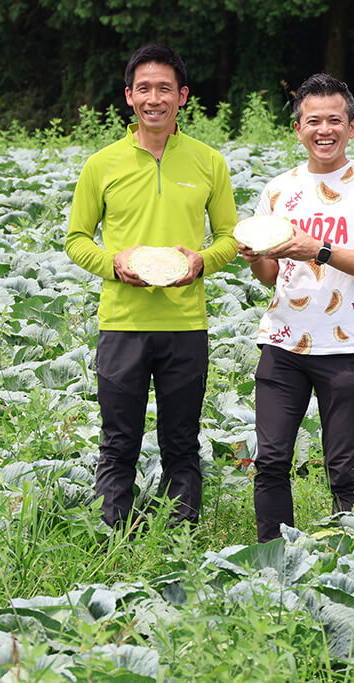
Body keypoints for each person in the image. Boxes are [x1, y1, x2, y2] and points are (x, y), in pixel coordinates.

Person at [65, 44, 238, 529]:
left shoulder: (208, 162)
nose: (154, 98)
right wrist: (111, 263)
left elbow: (229, 237)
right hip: (123, 323)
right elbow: (76, 240)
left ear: (183, 97)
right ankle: (109, 536)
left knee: (181, 441)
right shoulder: (102, 164)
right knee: (118, 440)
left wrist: (202, 262)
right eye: (144, 88)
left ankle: (178, 538)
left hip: (186, 324)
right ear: (128, 96)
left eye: (165, 88)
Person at [239, 73, 354, 543]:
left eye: (335, 120)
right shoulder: (278, 190)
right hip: (282, 343)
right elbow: (272, 277)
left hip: (345, 345)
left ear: (352, 127)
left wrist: (321, 250)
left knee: (344, 468)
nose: (324, 129)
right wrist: (257, 260)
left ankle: (347, 558)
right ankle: (275, 560)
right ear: (298, 129)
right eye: (314, 120)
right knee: (270, 461)